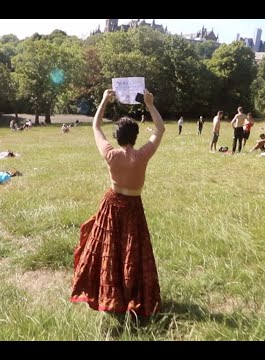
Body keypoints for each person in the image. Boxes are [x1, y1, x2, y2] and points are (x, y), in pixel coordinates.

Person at [71, 88, 165, 317]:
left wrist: (103, 100)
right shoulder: (142, 154)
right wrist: (150, 104)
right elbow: (160, 128)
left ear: (117, 137)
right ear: (135, 136)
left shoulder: (111, 154)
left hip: (111, 204)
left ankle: (111, 296)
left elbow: (96, 127)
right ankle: (130, 294)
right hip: (133, 206)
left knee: (109, 251)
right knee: (132, 253)